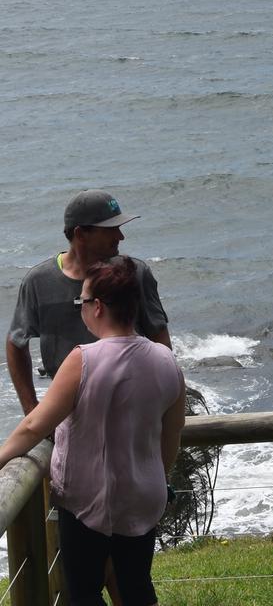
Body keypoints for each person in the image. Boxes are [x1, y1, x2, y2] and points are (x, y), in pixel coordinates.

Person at [0, 256, 186, 606]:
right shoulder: (167, 361)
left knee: (84, 591)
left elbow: (34, 425)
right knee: (136, 586)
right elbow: (172, 432)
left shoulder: (83, 359)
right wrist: (157, 477)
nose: (81, 308)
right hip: (143, 497)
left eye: (82, 302)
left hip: (87, 500)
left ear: (97, 307)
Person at [7, 189, 170, 415]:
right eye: (111, 229)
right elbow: (16, 342)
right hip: (67, 410)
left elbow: (160, 339)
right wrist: (31, 408)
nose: (121, 237)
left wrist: (163, 404)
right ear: (81, 234)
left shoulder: (135, 274)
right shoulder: (38, 282)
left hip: (129, 407)